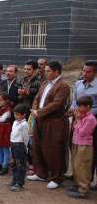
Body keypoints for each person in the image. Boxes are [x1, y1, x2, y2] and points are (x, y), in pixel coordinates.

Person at [29, 61, 70, 189]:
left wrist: (39, 112)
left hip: (54, 121)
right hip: (40, 119)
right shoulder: (45, 83)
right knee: (38, 146)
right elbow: (37, 98)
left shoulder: (63, 86)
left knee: (53, 149)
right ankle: (41, 173)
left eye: (48, 71)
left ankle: (56, 178)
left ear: (56, 72)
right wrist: (35, 110)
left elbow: (57, 104)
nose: (45, 73)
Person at [70, 61, 97, 179]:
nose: (85, 73)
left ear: (95, 73)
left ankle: (87, 178)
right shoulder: (78, 84)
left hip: (92, 122)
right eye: (83, 70)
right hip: (77, 120)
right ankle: (76, 174)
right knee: (75, 147)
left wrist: (86, 114)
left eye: (88, 71)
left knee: (89, 152)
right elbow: (74, 101)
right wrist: (73, 111)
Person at [68, 96, 97, 198]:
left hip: (84, 145)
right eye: (78, 106)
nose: (79, 108)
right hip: (76, 143)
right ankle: (77, 184)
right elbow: (74, 128)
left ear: (88, 107)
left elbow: (82, 132)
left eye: (81, 106)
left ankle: (83, 190)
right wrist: (77, 120)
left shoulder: (90, 119)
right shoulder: (81, 116)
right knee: (75, 165)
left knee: (83, 167)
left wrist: (78, 120)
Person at [9, 104, 30, 192]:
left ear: (24, 115)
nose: (16, 116)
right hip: (13, 144)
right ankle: (14, 180)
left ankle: (19, 183)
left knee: (20, 165)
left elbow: (26, 137)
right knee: (13, 164)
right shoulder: (14, 122)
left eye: (18, 114)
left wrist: (25, 147)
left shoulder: (24, 124)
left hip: (20, 146)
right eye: (15, 114)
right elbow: (12, 134)